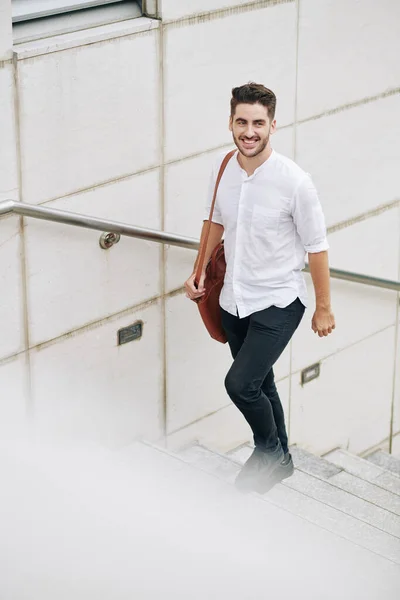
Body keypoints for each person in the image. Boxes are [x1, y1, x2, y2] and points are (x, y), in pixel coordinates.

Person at [185, 83, 335, 493]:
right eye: (241, 122)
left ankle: (268, 451)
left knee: (241, 384)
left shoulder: (295, 182)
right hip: (233, 297)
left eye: (258, 123)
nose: (249, 131)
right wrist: (199, 270)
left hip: (278, 301)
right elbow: (214, 221)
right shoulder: (224, 169)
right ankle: (280, 458)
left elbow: (317, 247)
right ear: (231, 122)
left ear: (272, 124)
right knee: (262, 382)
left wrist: (323, 307)